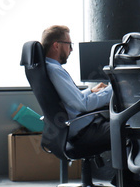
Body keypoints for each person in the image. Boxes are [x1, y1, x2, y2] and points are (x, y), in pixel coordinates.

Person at [41, 24, 112, 158]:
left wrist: (91, 91)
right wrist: (114, 88)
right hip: (84, 133)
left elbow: (67, 101)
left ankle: (121, 179)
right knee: (128, 130)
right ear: (56, 45)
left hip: (67, 131)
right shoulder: (55, 70)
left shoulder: (46, 68)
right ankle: (126, 179)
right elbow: (83, 105)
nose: (71, 49)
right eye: (69, 44)